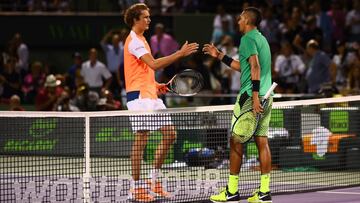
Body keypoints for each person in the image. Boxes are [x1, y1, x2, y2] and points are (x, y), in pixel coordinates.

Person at [123, 3, 198, 202]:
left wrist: (159, 86)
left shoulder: (143, 40)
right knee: (141, 140)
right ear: (135, 20)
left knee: (170, 134)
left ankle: (152, 181)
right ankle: (136, 188)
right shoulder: (134, 41)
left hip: (150, 95)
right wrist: (179, 54)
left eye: (149, 16)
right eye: (145, 17)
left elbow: (144, 73)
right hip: (138, 99)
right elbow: (154, 64)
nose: (149, 20)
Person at [203, 7, 273, 203]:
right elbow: (242, 66)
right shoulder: (261, 39)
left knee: (235, 141)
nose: (238, 21)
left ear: (248, 21)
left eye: (241, 18)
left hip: (251, 96)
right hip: (267, 96)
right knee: (262, 142)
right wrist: (219, 55)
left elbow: (255, 67)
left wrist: (255, 96)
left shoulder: (247, 39)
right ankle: (264, 192)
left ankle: (232, 191)